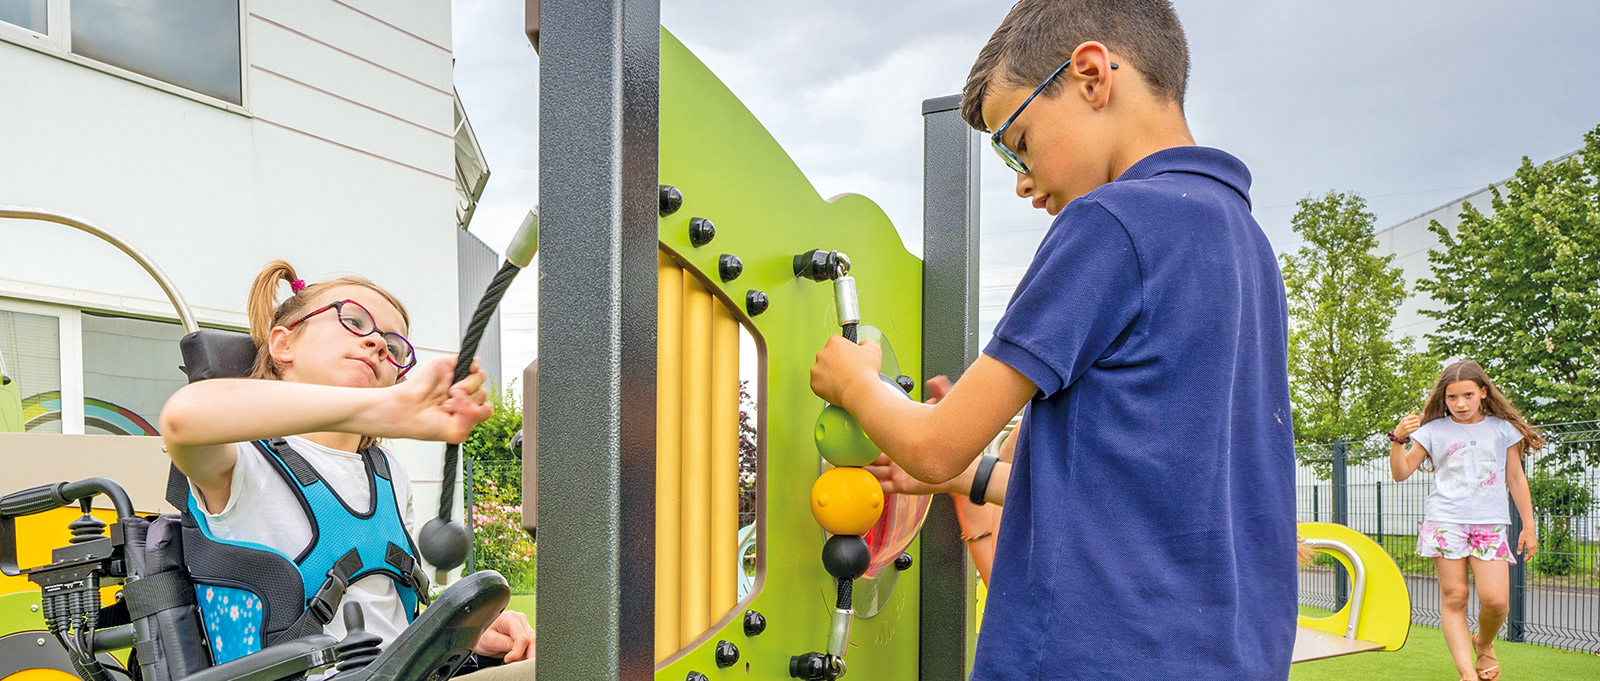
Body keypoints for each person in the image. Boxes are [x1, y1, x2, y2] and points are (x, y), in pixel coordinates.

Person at [809, 1, 1297, 677]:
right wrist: (968, 476)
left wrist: (854, 382)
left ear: (1092, 76)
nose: (1021, 181)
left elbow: (934, 440)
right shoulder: (1243, 241)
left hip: (1087, 655)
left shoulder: (1112, 223)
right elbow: (1143, 486)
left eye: (1020, 140)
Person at [159, 261, 534, 675]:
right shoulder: (244, 460)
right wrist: (380, 411)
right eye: (354, 321)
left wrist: (468, 631)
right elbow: (183, 418)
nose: (377, 343)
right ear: (283, 345)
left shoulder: (388, 473)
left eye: (394, 347)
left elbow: (385, 611)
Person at [1389, 360, 1540, 681]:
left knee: (1497, 601)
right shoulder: (1432, 431)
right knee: (1455, 597)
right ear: (1443, 398)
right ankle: (1467, 674)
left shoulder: (1502, 429)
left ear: (1483, 392)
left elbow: (1515, 477)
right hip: (1445, 523)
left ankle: (1482, 643)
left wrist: (1528, 525)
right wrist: (1397, 440)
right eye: (1452, 397)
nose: (1460, 404)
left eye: (1468, 395)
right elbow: (1401, 473)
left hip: (1489, 525)